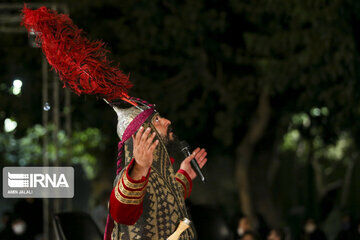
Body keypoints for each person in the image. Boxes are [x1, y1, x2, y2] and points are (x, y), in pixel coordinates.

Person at [105, 103, 208, 240]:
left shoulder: (160, 174)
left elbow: (164, 198)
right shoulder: (130, 175)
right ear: (143, 132)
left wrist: (185, 175)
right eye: (157, 120)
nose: (167, 121)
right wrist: (139, 167)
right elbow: (121, 213)